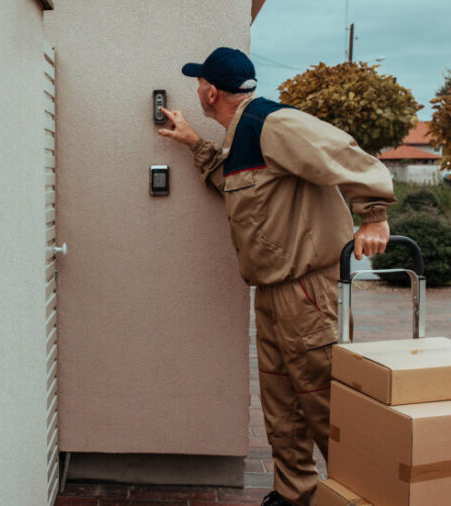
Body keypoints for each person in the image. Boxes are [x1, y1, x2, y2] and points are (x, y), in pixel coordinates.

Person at [158, 47, 394, 506]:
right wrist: (193, 143)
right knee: (283, 402)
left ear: (208, 91)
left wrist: (375, 214)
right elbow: (236, 186)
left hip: (306, 292)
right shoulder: (243, 135)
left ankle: (366, 496)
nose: (197, 91)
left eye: (198, 84)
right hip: (272, 291)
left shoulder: (272, 123)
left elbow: (346, 154)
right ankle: (294, 493)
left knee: (325, 400)